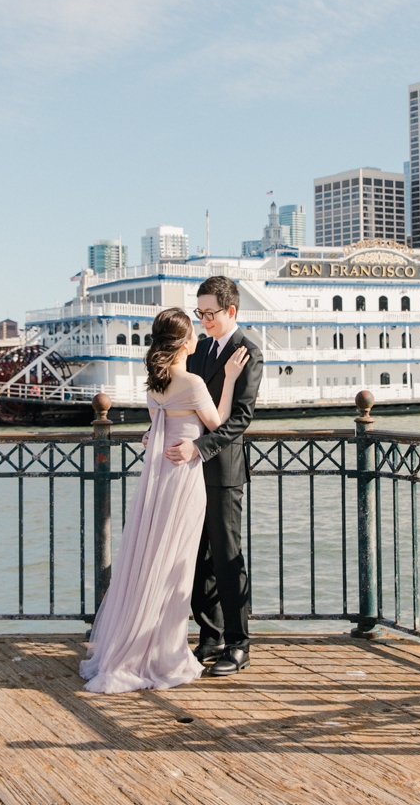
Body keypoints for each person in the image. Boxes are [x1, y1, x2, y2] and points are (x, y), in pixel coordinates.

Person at [79, 307, 249, 693]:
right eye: (194, 332)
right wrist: (231, 380)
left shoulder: (154, 383)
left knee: (150, 557)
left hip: (156, 480)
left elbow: (156, 428)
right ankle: (163, 652)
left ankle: (138, 644)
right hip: (184, 480)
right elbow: (218, 423)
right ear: (185, 343)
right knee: (176, 563)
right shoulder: (191, 382)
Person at [166, 276, 264, 677]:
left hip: (222, 470)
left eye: (210, 313)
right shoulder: (201, 348)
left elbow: (241, 417)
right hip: (189, 467)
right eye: (199, 313)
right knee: (198, 555)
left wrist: (200, 447)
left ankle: (239, 645)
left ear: (231, 311)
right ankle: (211, 635)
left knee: (226, 556)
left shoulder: (250, 353)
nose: (203, 320)